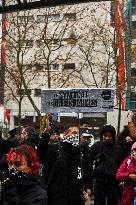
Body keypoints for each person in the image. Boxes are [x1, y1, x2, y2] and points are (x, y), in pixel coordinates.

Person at [38, 124, 92, 205]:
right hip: (57, 198)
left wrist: (84, 190)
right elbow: (41, 154)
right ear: (66, 135)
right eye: (74, 133)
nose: (76, 136)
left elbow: (82, 176)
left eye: (78, 134)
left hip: (75, 199)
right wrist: (46, 134)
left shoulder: (80, 155)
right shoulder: (56, 150)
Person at [89, 124, 123, 205]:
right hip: (99, 182)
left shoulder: (117, 148)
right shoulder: (96, 146)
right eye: (105, 136)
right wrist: (94, 172)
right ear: (102, 135)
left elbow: (121, 163)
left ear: (113, 137)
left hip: (113, 183)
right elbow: (88, 162)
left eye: (109, 136)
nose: (107, 138)